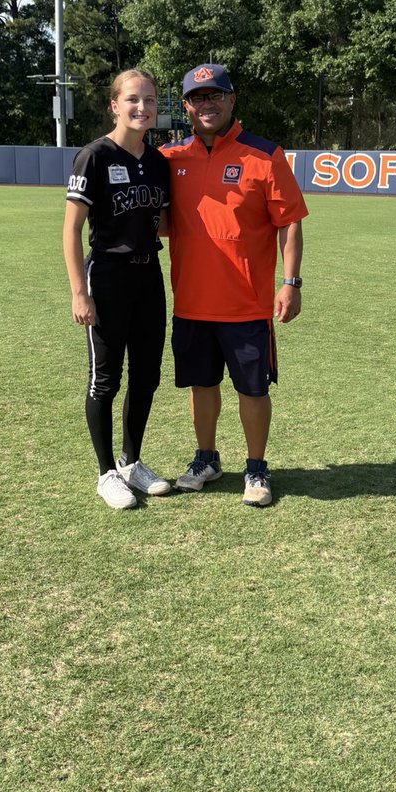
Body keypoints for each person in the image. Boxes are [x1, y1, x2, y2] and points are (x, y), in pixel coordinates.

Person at [161, 63, 308, 507]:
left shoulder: (265, 155)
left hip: (247, 303)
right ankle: (206, 459)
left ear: (232, 99)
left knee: (253, 390)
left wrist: (291, 282)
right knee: (201, 386)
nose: (207, 104)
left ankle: (256, 468)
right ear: (186, 106)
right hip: (190, 301)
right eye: (197, 98)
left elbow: (290, 223)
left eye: (215, 95)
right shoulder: (170, 158)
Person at [63, 70, 171, 510]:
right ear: (114, 105)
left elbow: (164, 222)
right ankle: (106, 472)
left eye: (149, 99)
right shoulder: (94, 155)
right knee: (105, 379)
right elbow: (70, 230)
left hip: (149, 276)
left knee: (147, 375)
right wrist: (78, 292)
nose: (141, 107)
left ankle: (131, 462)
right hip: (107, 275)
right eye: (132, 99)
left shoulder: (159, 161)